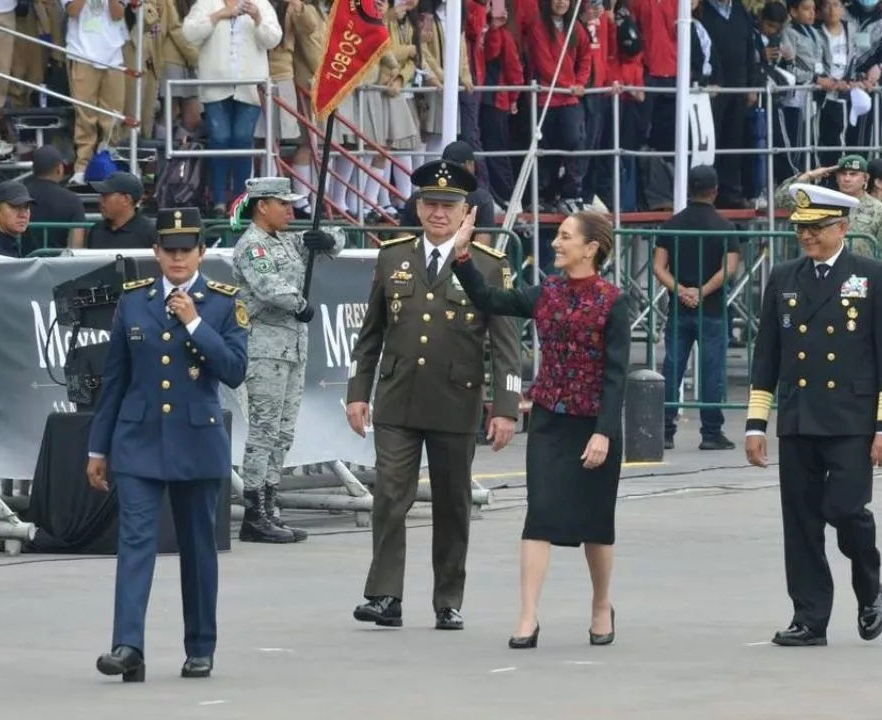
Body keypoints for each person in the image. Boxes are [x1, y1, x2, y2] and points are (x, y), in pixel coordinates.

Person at [346, 159, 523, 631]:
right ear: (418, 206)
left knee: (452, 502)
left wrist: (506, 408)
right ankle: (385, 595)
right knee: (389, 495)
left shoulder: (489, 266)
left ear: (467, 213)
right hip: (398, 397)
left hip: (455, 398)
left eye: (449, 206)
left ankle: (448, 597)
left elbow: (507, 346)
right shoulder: (393, 257)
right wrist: (357, 392)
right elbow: (371, 334)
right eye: (430, 204)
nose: (438, 213)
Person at [450, 208, 630, 649]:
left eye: (565, 236)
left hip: (594, 423)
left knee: (595, 524)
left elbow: (617, 374)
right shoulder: (547, 291)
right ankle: (528, 616)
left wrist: (604, 432)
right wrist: (462, 257)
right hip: (550, 418)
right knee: (540, 516)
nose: (555, 243)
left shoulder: (613, 300)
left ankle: (601, 604)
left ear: (591, 248)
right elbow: (492, 300)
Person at [87, 206, 250, 682]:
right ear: (156, 252)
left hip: (197, 440)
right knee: (134, 541)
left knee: (198, 547)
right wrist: (98, 449)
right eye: (169, 250)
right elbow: (115, 380)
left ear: (201, 252)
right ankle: (127, 644)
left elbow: (235, 370)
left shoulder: (221, 302)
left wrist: (196, 323)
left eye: (187, 250)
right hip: (138, 440)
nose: (178, 259)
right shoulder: (134, 300)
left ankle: (200, 645)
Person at [744, 183, 882, 648]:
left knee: (846, 509)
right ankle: (810, 617)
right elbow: (766, 357)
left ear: (843, 227)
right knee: (801, 521)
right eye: (800, 229)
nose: (807, 238)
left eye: (815, 229)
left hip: (852, 419)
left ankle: (869, 585)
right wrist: (757, 424)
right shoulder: (784, 277)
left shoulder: (871, 276)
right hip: (798, 417)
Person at [230, 177, 346, 544]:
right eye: (284, 204)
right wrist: (300, 304)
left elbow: (336, 242)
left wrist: (327, 240)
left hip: (292, 346)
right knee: (264, 432)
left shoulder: (286, 240)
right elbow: (268, 287)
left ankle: (270, 505)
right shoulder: (253, 245)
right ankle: (254, 511)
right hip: (264, 346)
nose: (291, 211)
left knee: (282, 432)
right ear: (262, 206)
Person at [652, 165, 739, 451]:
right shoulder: (725, 227)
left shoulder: (672, 225)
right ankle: (711, 432)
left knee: (672, 367)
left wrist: (681, 290)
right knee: (712, 371)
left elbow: (658, 267)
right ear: (715, 191)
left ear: (688, 188)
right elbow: (729, 268)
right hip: (711, 308)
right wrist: (701, 292)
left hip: (680, 307)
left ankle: (665, 430)